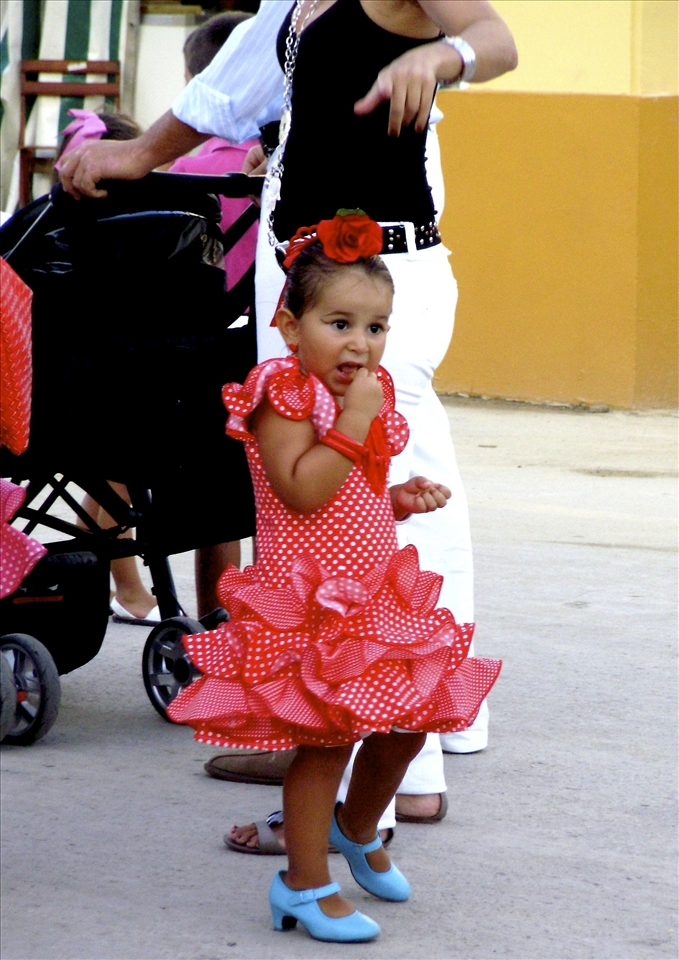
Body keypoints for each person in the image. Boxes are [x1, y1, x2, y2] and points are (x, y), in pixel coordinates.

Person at [57, 0, 517, 835]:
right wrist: (135, 153)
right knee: (376, 481)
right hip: (308, 273)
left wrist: (441, 57)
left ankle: (381, 773)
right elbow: (230, 90)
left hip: (375, 279)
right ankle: (348, 735)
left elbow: (494, 38)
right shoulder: (291, 4)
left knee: (358, 498)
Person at [167, 212, 501, 943]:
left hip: (374, 595)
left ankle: (355, 828)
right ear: (289, 327)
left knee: (412, 722)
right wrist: (352, 419)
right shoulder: (281, 396)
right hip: (310, 606)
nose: (360, 343)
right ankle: (302, 884)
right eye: (340, 323)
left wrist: (397, 501)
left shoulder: (362, 401)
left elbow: (349, 498)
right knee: (325, 745)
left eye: (376, 328)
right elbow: (303, 491)